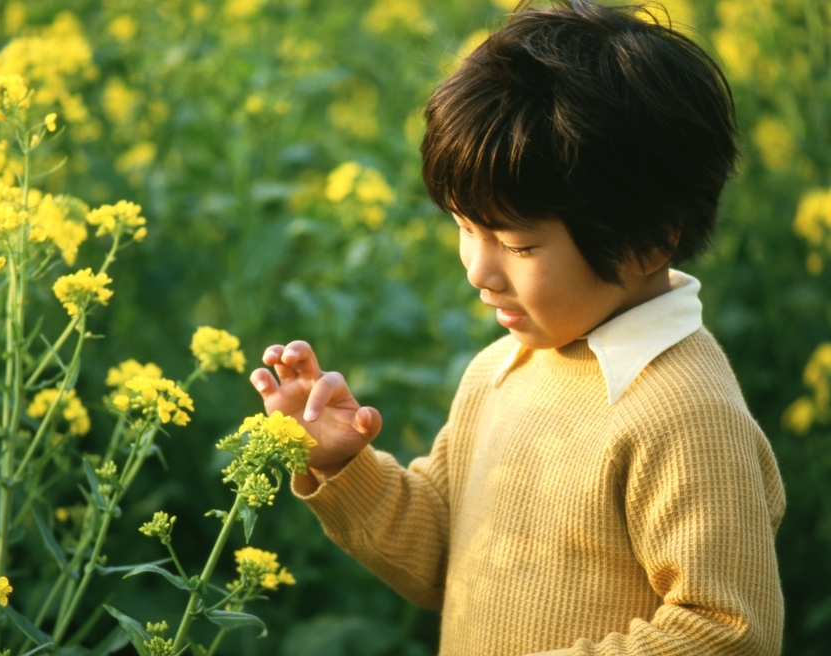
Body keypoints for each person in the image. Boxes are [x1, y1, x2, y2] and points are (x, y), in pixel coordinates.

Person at [249, 1, 785, 653]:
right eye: (464, 228)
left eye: (518, 246)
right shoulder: (499, 372)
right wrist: (343, 464)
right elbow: (445, 556)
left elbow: (729, 630)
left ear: (648, 243)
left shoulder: (686, 413)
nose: (479, 271)